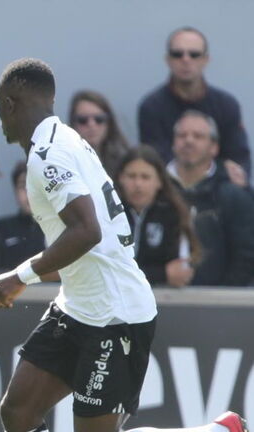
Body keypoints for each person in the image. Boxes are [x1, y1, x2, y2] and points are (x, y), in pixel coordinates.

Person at [0, 58, 253, 432]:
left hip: (116, 315)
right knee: (18, 409)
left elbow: (87, 231)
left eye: (1, 110)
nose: (1, 122)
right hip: (80, 305)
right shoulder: (64, 138)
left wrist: (20, 276)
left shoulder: (46, 154)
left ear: (12, 104)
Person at [138, 27, 250, 187]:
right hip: (169, 191)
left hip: (220, 190)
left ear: (206, 59)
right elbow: (155, 161)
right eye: (178, 54)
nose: (186, 59)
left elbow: (238, 158)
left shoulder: (227, 105)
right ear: (168, 59)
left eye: (194, 54)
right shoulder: (151, 107)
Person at [168, 111, 254, 286]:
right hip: (156, 297)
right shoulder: (156, 190)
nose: (189, 141)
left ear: (214, 147)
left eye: (198, 136)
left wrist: (223, 300)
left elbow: (245, 257)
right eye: (182, 135)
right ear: (173, 143)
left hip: (216, 301)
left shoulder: (232, 195)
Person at [118, 145, 200, 287]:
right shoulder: (108, 215)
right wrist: (162, 274)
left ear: (159, 181)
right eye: (132, 176)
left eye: (145, 177)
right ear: (121, 179)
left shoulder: (174, 215)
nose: (138, 184)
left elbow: (178, 273)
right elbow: (107, 272)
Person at [0, 161, 44, 276]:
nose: (30, 193)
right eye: (23, 186)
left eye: (35, 186)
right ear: (15, 191)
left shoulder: (60, 228)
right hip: (11, 292)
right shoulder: (1, 229)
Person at [69, 90, 129, 178]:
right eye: (83, 120)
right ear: (73, 123)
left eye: (99, 119)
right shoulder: (65, 161)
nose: (91, 125)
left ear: (109, 122)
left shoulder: (125, 162)